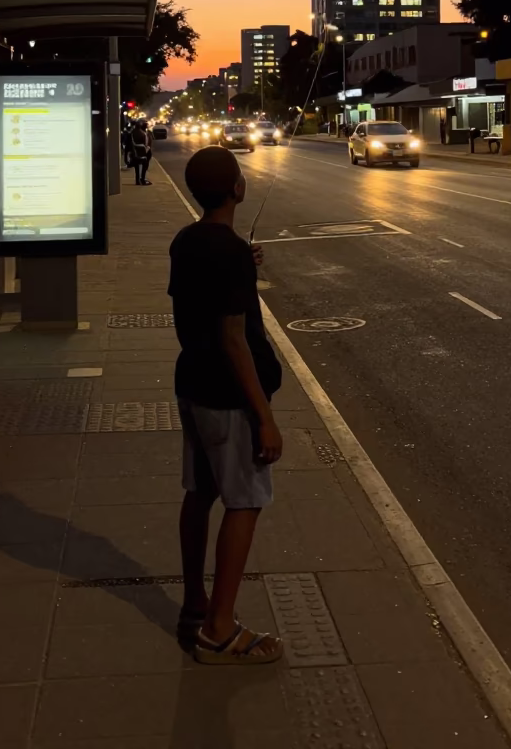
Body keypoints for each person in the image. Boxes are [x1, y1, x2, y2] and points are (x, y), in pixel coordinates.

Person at [169, 146, 284, 665]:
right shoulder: (229, 252)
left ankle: (195, 602)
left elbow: (199, 291)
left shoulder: (187, 240)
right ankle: (218, 628)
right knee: (244, 501)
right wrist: (265, 417)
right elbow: (235, 339)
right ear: (237, 189)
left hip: (191, 383)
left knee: (201, 492)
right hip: (227, 396)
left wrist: (242, 257)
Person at [131, 119, 151, 185]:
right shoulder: (144, 134)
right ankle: (142, 179)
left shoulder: (132, 132)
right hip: (142, 153)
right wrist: (147, 149)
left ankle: (137, 180)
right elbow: (146, 144)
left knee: (136, 167)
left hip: (134, 153)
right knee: (144, 165)